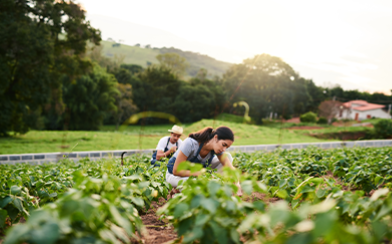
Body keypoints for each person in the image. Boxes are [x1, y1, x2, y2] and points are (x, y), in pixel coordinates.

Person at [166, 126, 242, 195]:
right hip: (174, 176)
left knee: (227, 156)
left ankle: (213, 184)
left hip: (193, 175)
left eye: (227, 147)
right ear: (215, 138)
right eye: (223, 145)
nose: (224, 149)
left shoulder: (218, 149)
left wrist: (237, 184)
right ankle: (177, 192)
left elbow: (230, 168)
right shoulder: (191, 143)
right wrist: (202, 174)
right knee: (196, 185)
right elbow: (176, 171)